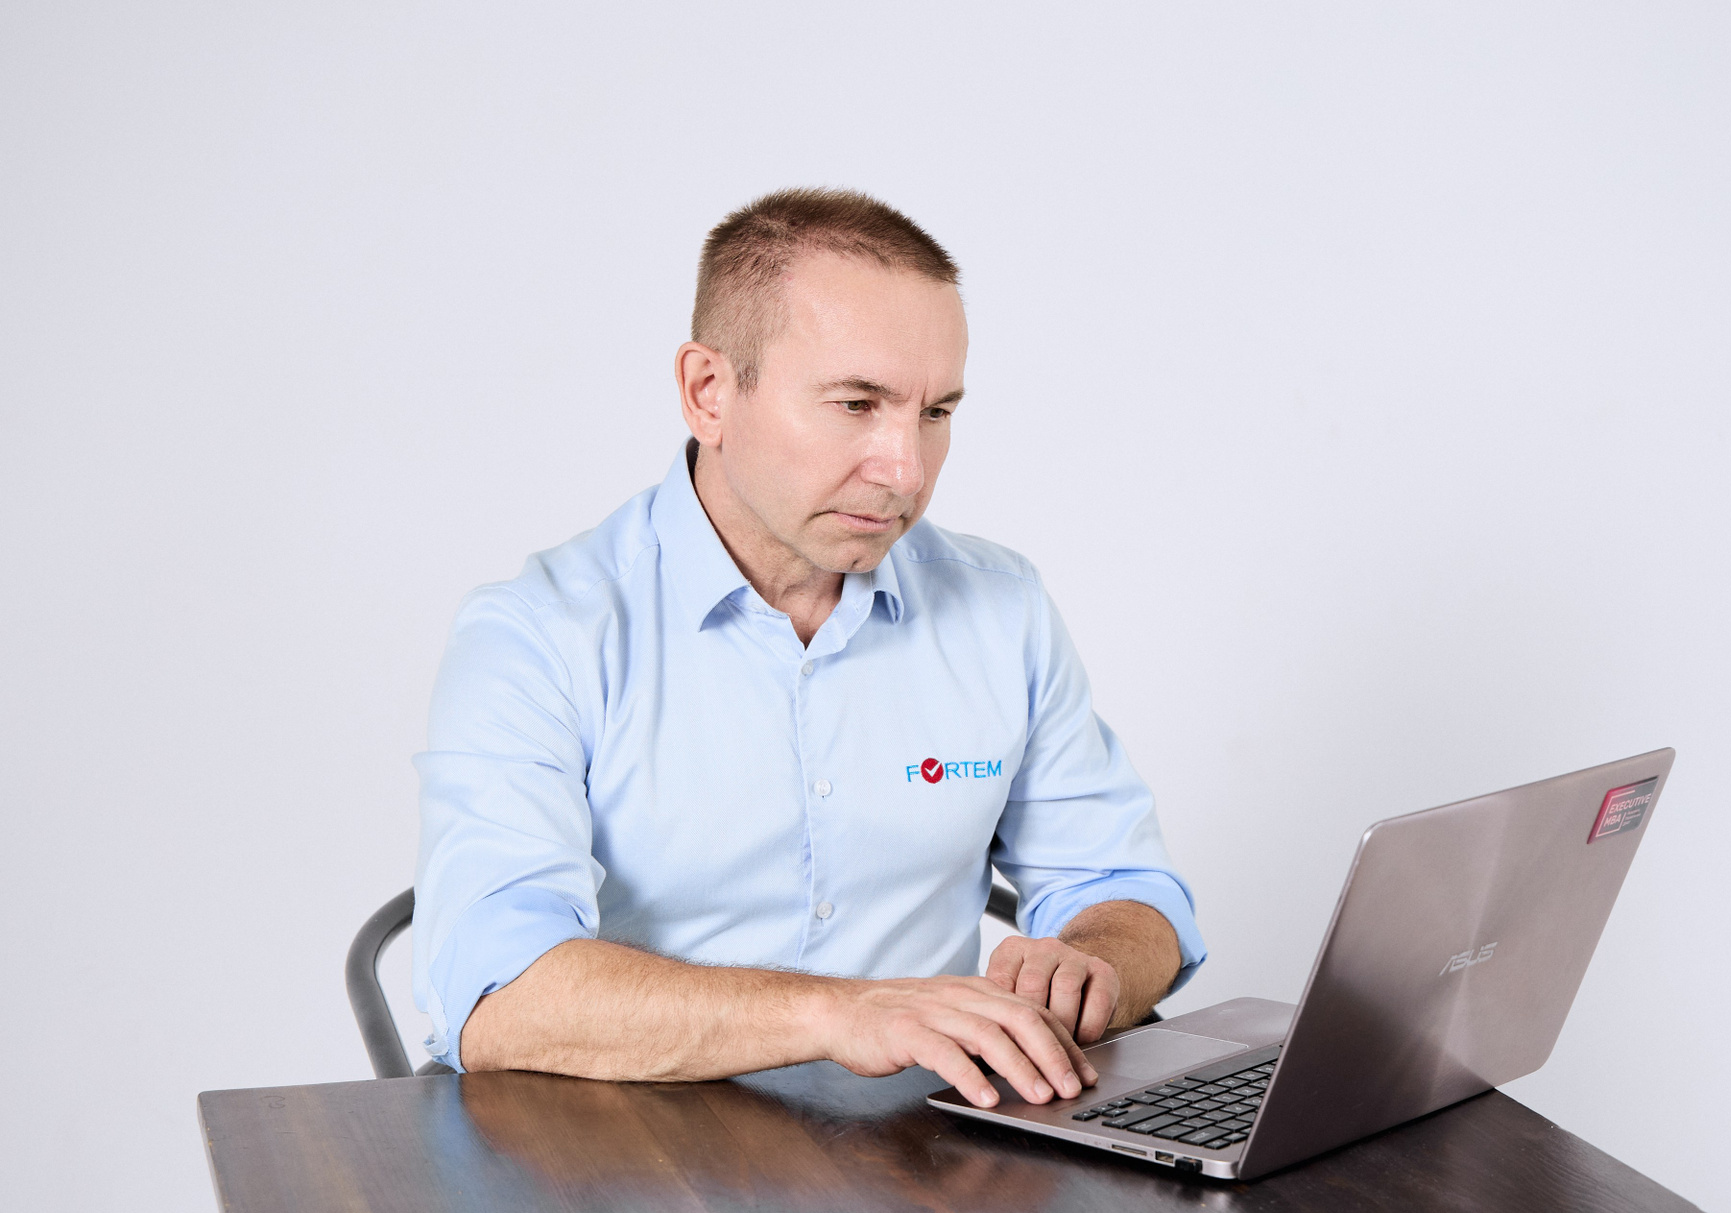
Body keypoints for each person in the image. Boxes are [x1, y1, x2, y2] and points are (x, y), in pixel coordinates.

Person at [412, 188, 1205, 1110]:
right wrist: (841, 1014)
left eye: (936, 412)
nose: (906, 470)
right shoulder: (538, 634)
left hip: (934, 1153)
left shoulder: (1003, 609)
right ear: (709, 393)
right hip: (637, 1153)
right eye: (857, 404)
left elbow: (1126, 887)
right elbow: (498, 994)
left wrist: (1094, 959)